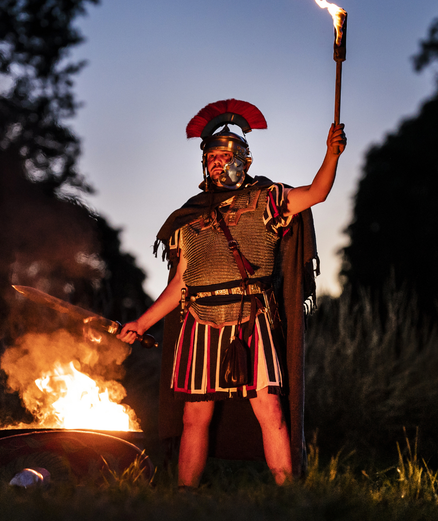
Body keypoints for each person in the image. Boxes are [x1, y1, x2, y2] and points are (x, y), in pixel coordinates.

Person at [118, 98, 346, 486]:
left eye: (224, 158)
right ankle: (185, 494)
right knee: (195, 416)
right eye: (211, 159)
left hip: (251, 317)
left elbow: (317, 192)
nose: (216, 165)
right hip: (199, 322)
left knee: (270, 410)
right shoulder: (189, 216)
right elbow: (181, 283)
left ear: (244, 159)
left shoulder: (267, 198)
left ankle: (287, 494)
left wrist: (331, 155)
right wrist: (140, 323)